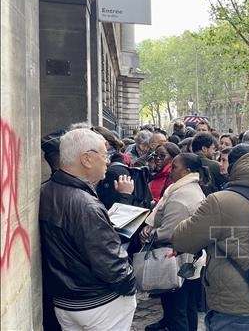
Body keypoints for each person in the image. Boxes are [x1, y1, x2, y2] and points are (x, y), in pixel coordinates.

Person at [171, 145, 249, 330]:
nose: (220, 163)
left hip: (240, 306)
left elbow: (182, 239)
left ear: (236, 166)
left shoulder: (220, 201)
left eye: (224, 160)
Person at [40, 128, 136, 330]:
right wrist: (131, 283)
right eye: (104, 155)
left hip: (66, 302)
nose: (108, 161)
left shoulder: (45, 190)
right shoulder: (85, 204)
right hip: (97, 303)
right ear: (87, 159)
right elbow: (112, 266)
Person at [141, 153, 207, 331]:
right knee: (187, 308)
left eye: (175, 167)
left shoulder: (180, 197)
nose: (170, 170)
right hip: (190, 260)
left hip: (176, 261)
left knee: (177, 311)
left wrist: (150, 233)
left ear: (187, 171)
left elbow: (169, 233)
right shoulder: (189, 189)